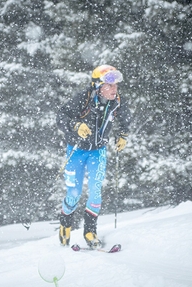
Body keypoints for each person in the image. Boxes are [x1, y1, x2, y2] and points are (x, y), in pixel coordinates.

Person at [56, 65, 132, 248]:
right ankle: (65, 224)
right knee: (73, 193)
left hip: (98, 151)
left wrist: (123, 135)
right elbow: (61, 116)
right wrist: (75, 126)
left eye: (116, 86)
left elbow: (125, 118)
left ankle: (90, 232)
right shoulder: (83, 98)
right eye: (110, 86)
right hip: (77, 150)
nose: (115, 90)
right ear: (98, 86)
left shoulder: (117, 101)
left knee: (95, 192)